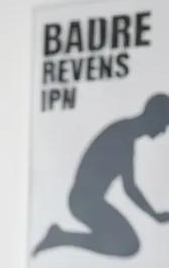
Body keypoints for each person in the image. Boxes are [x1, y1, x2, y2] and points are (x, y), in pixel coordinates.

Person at [33, 93, 169, 258]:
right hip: (84, 202)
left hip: (87, 201)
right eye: (164, 123)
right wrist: (153, 214)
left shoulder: (125, 135)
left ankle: (61, 237)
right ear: (154, 116)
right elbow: (130, 188)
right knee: (128, 245)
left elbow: (129, 187)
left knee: (128, 245)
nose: (163, 130)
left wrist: (154, 214)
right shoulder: (122, 137)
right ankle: (61, 237)